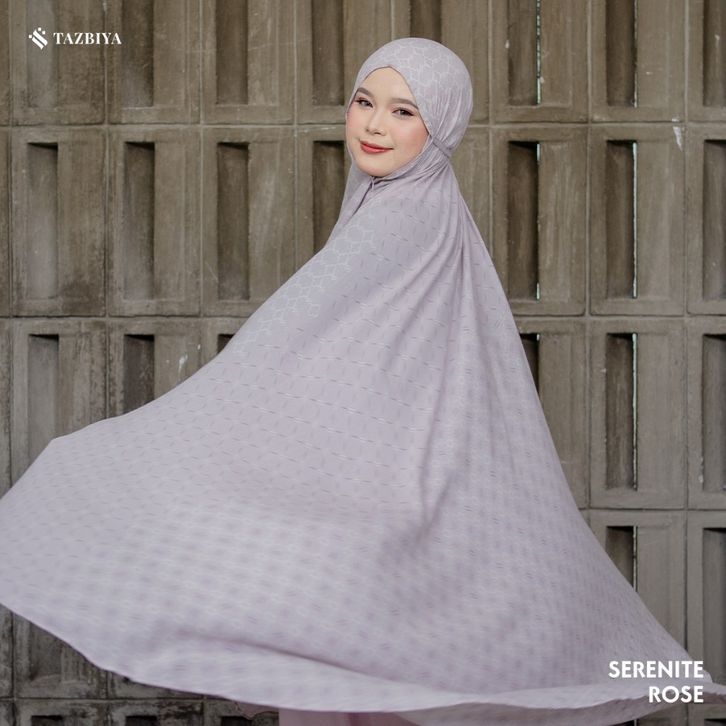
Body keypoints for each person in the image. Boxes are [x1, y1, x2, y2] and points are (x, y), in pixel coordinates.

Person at [0, 37, 724, 726]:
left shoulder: (395, 221)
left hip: (391, 504)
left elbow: (283, 342)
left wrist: (143, 444)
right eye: (364, 102)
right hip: (415, 497)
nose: (375, 125)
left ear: (441, 129)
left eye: (404, 111)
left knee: (342, 676)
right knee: (372, 685)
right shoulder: (436, 213)